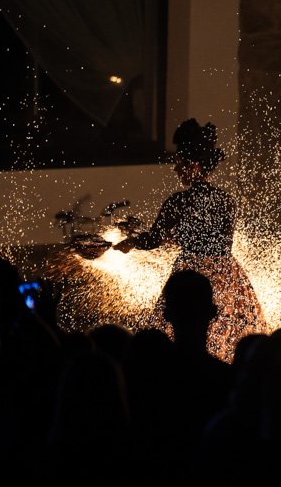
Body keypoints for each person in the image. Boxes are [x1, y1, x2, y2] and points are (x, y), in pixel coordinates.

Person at [114, 118, 267, 362]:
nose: (176, 170)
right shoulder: (226, 201)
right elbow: (212, 238)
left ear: (194, 165)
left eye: (180, 163)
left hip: (192, 275)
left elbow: (155, 237)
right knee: (225, 338)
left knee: (179, 333)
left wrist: (131, 243)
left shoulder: (179, 201)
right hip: (227, 276)